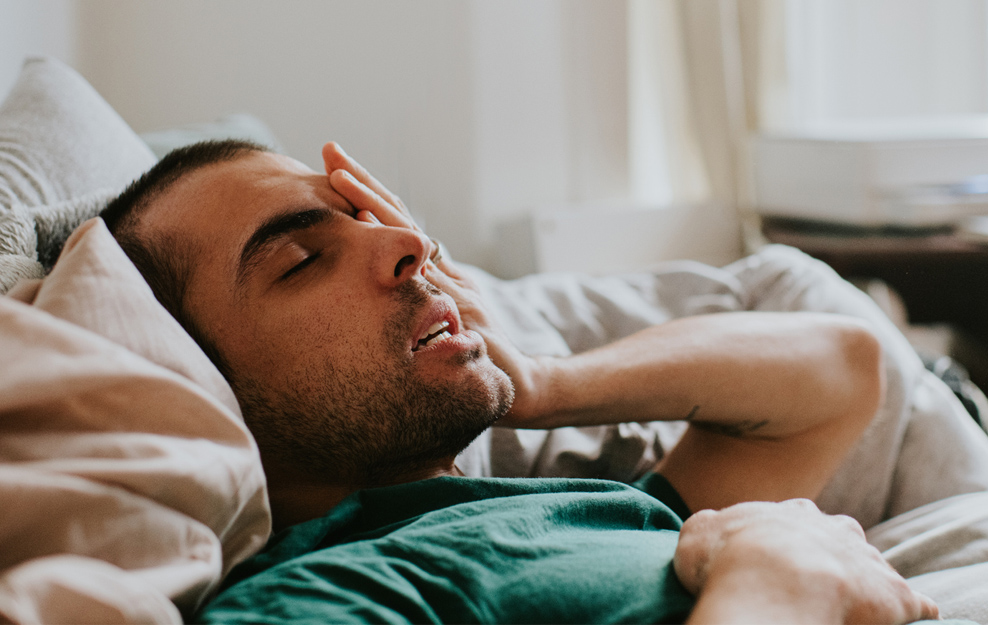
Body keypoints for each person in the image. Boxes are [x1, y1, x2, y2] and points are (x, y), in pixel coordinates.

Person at [99, 140, 937, 623]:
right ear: (199, 379)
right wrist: (778, 586)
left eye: (373, 218)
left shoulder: (586, 515)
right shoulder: (323, 593)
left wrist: (542, 382)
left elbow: (843, 371)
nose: (406, 244)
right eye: (302, 260)